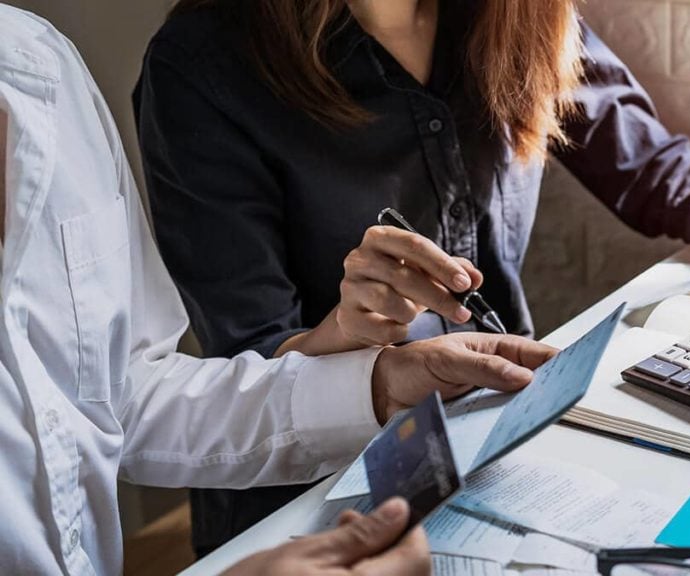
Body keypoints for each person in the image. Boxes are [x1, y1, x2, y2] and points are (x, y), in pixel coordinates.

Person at [134, 0, 690, 555]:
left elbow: (643, 159)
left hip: (501, 437)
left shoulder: (519, 13)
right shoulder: (204, 62)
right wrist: (346, 335)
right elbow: (247, 367)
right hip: (314, 507)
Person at [0, 5, 557, 574]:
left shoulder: (42, 64)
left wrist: (380, 385)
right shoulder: (202, 61)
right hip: (300, 510)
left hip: (481, 442)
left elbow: (122, 394)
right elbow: (246, 339)